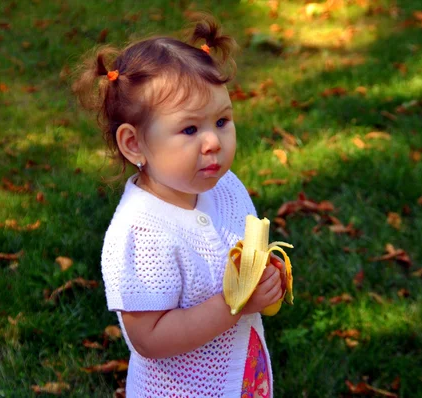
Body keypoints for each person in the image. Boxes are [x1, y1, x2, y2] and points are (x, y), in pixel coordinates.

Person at [72, 14, 284, 398]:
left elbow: (244, 259)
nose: (213, 142)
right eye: (190, 129)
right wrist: (233, 306)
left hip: (243, 376)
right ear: (134, 144)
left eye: (222, 121)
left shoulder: (226, 188)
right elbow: (149, 338)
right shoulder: (140, 232)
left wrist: (268, 278)